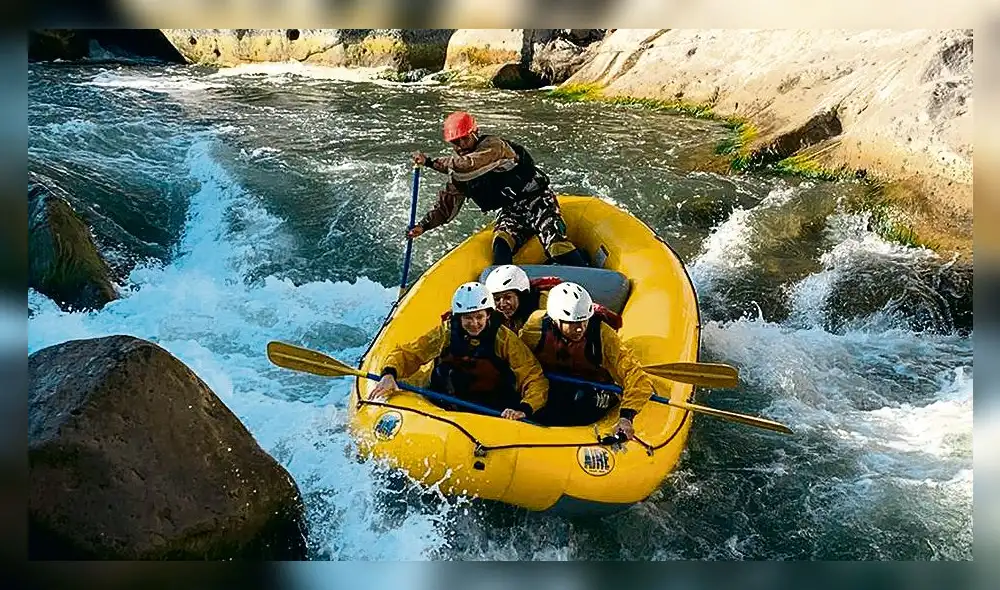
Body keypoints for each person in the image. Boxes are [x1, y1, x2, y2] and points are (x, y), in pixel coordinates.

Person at [408, 111, 588, 267]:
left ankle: (585, 271)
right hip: (512, 210)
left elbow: (471, 164)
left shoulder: (494, 147)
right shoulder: (458, 173)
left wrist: (430, 162)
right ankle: (508, 289)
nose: (461, 144)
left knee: (556, 246)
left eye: (465, 138)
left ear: (475, 132)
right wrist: (423, 226)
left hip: (538, 200)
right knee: (501, 244)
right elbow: (446, 207)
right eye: (455, 141)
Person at [369, 281, 548, 420]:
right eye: (468, 318)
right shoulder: (445, 332)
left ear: (488, 315)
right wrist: (389, 374)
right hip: (448, 402)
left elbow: (533, 377)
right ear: (459, 318)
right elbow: (409, 354)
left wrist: (524, 408)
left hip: (491, 408)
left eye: (479, 317)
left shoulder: (505, 339)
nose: (474, 323)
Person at [518, 282, 653, 439]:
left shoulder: (601, 334)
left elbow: (636, 377)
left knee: (581, 399)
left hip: (595, 390)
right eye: (573, 323)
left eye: (584, 321)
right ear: (556, 320)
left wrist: (626, 417)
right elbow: (520, 362)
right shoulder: (535, 327)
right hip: (553, 383)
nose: (580, 328)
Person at [483, 264, 623, 333]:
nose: (502, 304)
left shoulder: (548, 302)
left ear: (521, 295)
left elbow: (581, 313)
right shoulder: (492, 314)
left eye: (508, 297)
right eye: (497, 299)